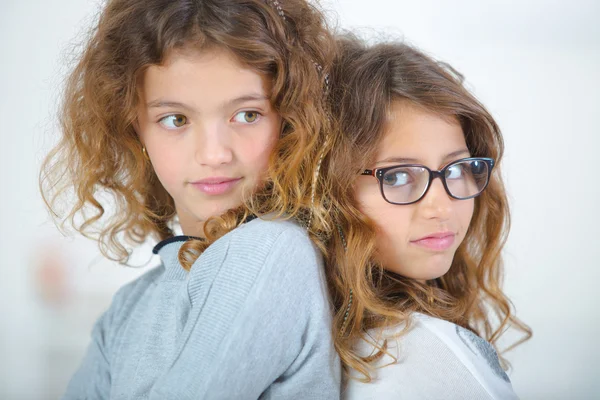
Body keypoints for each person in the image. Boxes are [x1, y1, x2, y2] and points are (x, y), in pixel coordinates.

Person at [40, 0, 341, 398]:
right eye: (176, 120)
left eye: (247, 115)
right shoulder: (127, 311)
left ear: (288, 120)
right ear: (136, 132)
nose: (215, 154)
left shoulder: (273, 249)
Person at [324, 36, 532, 399]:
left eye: (455, 169)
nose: (441, 206)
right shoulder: (420, 355)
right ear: (331, 188)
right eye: (399, 175)